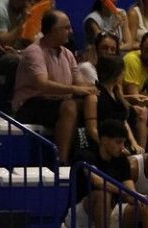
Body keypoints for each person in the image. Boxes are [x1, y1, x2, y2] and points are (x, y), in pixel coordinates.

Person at [12, 9, 97, 164]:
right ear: (53, 30)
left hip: (55, 103)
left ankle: (96, 157)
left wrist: (95, 89)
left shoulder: (67, 54)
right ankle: (62, 162)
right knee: (69, 107)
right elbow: (42, 84)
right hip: (30, 104)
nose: (70, 31)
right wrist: (75, 89)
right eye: (66, 28)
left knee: (93, 103)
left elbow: (78, 83)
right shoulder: (34, 51)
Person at [69, 120, 147, 228]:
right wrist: (124, 193)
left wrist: (136, 198)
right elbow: (97, 181)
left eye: (124, 142)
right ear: (104, 139)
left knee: (142, 207)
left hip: (111, 210)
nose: (122, 147)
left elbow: (129, 187)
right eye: (118, 142)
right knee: (103, 194)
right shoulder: (85, 155)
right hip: (81, 213)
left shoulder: (121, 160)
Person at [83, 55, 144, 155]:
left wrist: (134, 143)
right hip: (102, 146)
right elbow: (92, 129)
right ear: (116, 74)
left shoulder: (117, 95)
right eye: (122, 71)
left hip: (121, 144)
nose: (124, 74)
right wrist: (110, 146)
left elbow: (123, 122)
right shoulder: (93, 97)